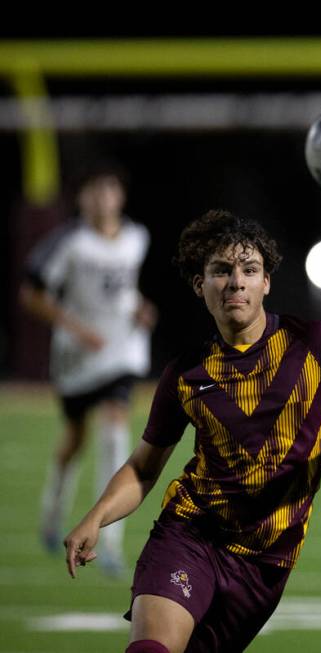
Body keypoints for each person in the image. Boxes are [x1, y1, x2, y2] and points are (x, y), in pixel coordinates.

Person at [63, 209, 321, 653]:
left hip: (265, 564)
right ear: (201, 285)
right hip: (190, 535)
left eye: (249, 270)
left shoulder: (314, 342)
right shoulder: (185, 374)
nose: (236, 282)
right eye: (222, 271)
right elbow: (142, 468)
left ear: (266, 282)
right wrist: (95, 518)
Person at [20, 162, 156, 576]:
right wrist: (77, 330)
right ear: (82, 198)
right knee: (75, 437)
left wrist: (140, 307)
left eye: (110, 188)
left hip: (121, 350)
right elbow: (32, 295)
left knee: (117, 426)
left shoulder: (136, 238)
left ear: (120, 196)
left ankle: (110, 536)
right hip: (78, 356)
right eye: (94, 190)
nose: (103, 198)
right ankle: (51, 513)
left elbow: (123, 290)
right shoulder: (69, 242)